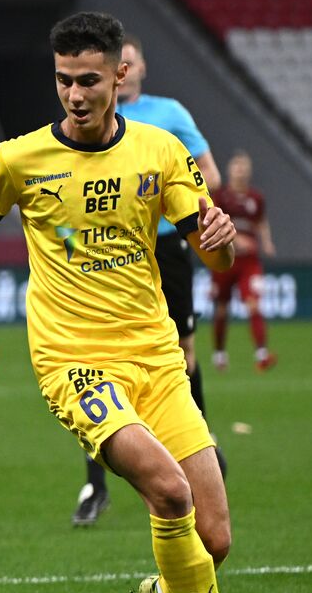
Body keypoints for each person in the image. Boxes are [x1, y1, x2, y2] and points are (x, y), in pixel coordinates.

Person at [0, 12, 273, 593]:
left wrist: (217, 236)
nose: (75, 93)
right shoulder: (19, 158)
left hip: (157, 359)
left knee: (213, 538)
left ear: (118, 75)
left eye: (89, 80)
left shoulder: (160, 151)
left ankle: (169, 592)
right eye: (65, 79)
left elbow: (211, 254)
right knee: (168, 489)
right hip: (74, 361)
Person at [70, 33, 224, 527]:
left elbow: (210, 177)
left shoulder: (169, 115)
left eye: (132, 62)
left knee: (181, 353)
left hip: (166, 244)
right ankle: (96, 483)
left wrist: (179, 204)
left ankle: (195, 445)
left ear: (137, 69)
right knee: (101, 365)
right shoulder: (88, 124)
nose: (127, 70)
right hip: (110, 249)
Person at [211, 151, 277, 372]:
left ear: (248, 172)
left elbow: (261, 222)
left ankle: (262, 354)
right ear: (230, 170)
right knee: (221, 309)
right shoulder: (221, 197)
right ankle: (219, 353)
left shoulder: (255, 198)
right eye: (237, 166)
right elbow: (213, 223)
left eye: (244, 167)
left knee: (253, 304)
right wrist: (236, 239)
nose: (240, 171)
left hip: (249, 262)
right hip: (225, 260)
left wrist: (266, 242)